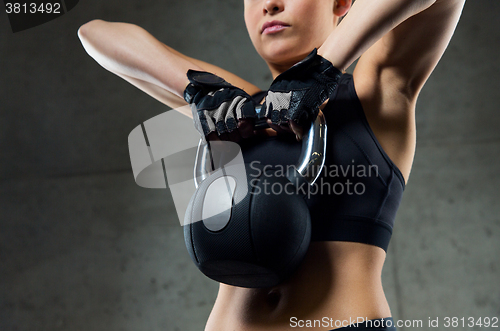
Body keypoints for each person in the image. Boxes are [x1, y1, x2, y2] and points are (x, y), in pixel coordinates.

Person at [78, 0, 465, 329]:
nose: (270, 3)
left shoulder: (377, 89)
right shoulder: (240, 110)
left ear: (342, 3)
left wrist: (324, 67)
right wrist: (198, 89)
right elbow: (95, 34)